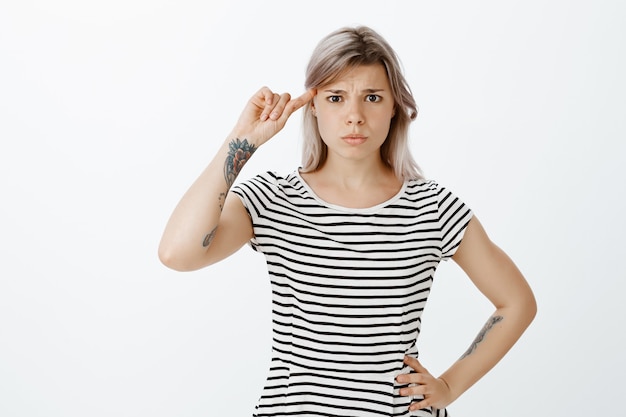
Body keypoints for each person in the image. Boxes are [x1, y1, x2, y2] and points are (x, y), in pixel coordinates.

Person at [158, 25, 536, 417]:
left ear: (394, 106)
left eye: (372, 97)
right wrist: (242, 140)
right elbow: (177, 253)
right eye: (336, 97)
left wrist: (449, 386)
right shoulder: (272, 199)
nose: (354, 116)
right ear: (314, 104)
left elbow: (516, 302)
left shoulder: (434, 207)